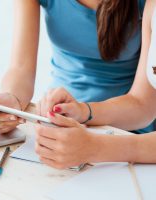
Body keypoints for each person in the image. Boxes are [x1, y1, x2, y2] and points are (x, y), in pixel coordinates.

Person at [0, 0, 153, 134]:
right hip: (57, 119)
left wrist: (83, 112)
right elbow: (20, 68)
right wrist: (13, 100)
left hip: (126, 126)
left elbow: (143, 106)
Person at [35, 0, 156, 169]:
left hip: (127, 134)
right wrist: (82, 112)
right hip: (71, 127)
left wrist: (96, 147)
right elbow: (143, 103)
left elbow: (143, 106)